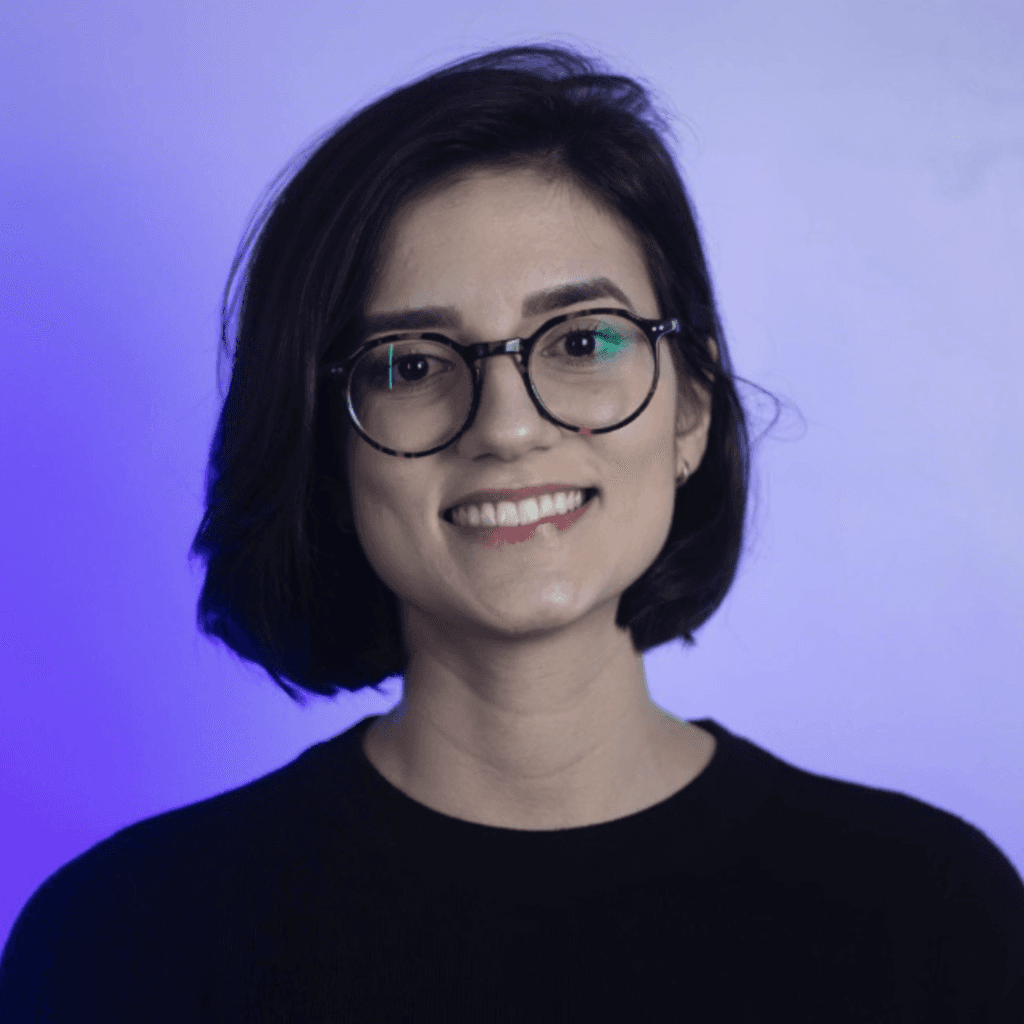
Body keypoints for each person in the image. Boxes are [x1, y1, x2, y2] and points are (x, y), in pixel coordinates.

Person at [1, 43, 1022, 1023]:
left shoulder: (935, 915)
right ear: (327, 450)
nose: (508, 426)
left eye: (581, 341)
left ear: (692, 409)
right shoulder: (121, 941)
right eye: (409, 363)